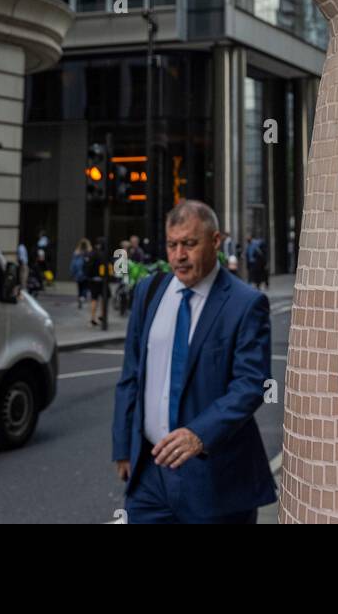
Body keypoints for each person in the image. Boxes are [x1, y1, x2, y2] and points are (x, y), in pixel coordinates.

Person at [111, 200, 276, 524]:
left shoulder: (246, 304)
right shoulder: (149, 291)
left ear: (215, 242)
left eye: (189, 244)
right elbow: (131, 374)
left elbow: (251, 384)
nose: (179, 256)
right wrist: (123, 447)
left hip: (216, 479)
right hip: (150, 475)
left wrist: (199, 434)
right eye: (172, 245)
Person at [85, 240, 109, 328]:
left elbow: (88, 267)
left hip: (93, 280)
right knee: (104, 298)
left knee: (94, 299)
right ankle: (102, 315)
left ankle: (93, 318)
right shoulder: (104, 254)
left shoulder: (92, 254)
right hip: (103, 280)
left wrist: (89, 277)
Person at [71, 239, 92, 310]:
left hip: (78, 273)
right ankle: (83, 297)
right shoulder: (89, 253)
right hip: (86, 273)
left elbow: (73, 264)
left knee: (79, 287)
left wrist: (72, 273)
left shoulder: (76, 253)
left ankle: (80, 297)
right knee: (85, 287)